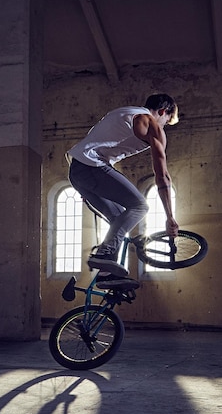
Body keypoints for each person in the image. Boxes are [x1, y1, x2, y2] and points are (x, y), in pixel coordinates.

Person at [66, 93, 180, 287]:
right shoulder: (150, 122)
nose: (163, 127)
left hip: (77, 171)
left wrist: (86, 186)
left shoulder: (123, 112)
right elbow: (162, 175)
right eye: (166, 122)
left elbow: (93, 140)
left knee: (119, 218)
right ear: (162, 112)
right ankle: (103, 254)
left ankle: (105, 273)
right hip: (92, 167)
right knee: (140, 206)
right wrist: (170, 216)